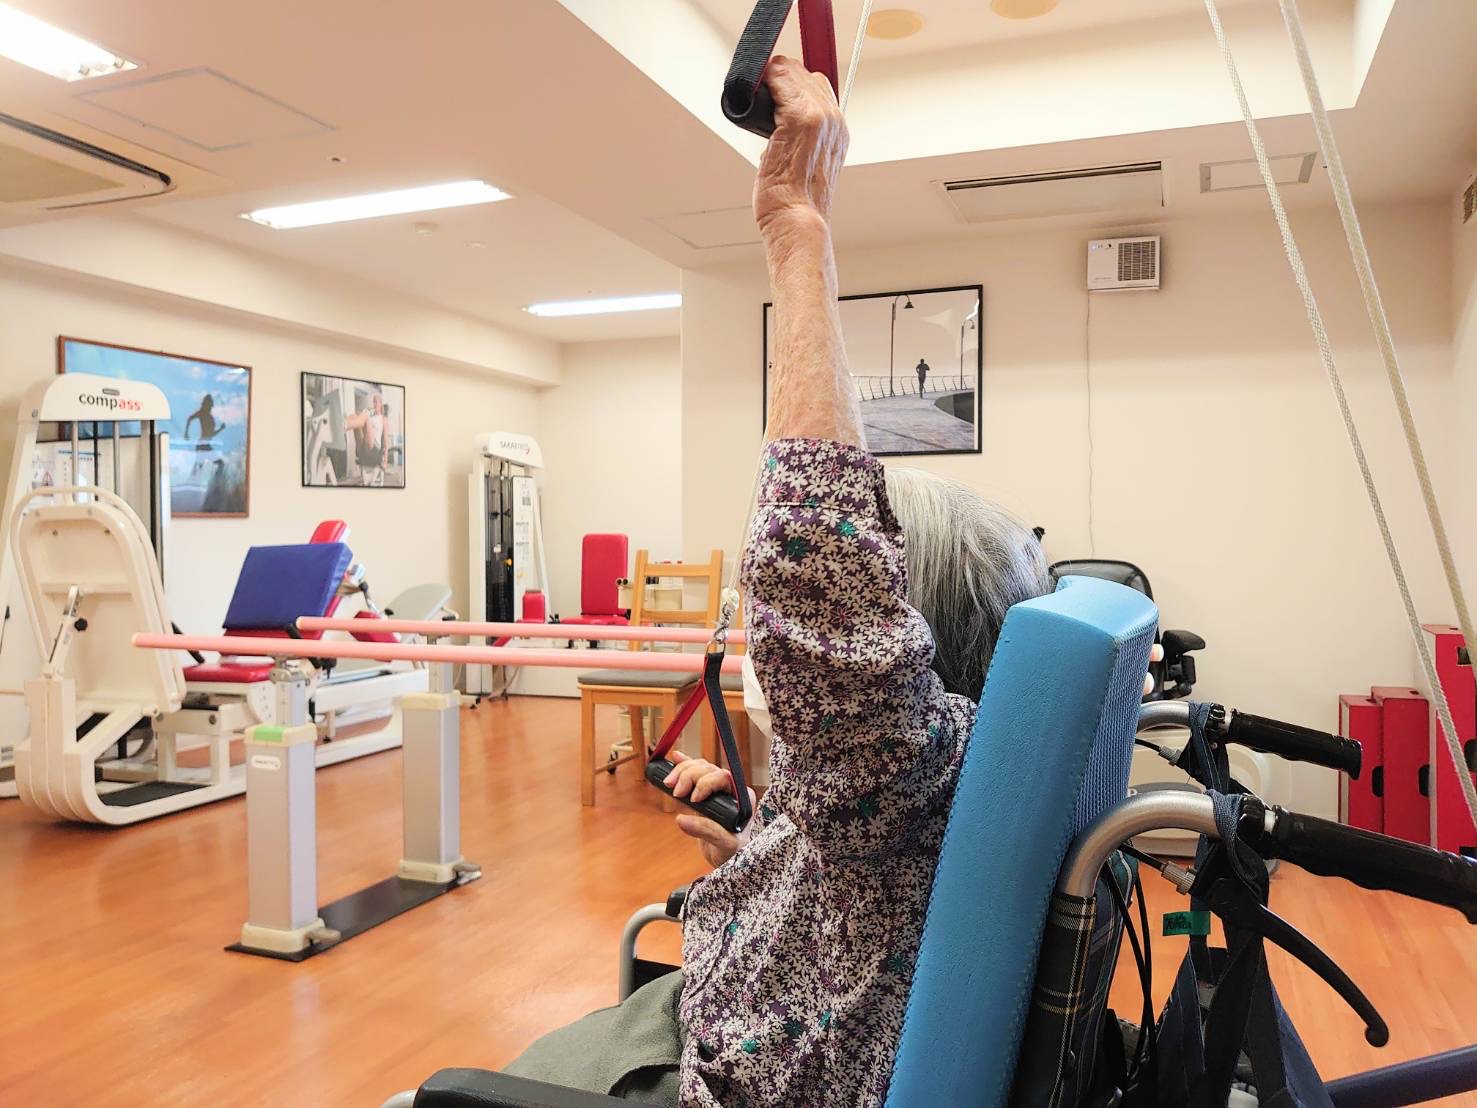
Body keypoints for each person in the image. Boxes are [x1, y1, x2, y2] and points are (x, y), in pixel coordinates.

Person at [503, 58, 1138, 1107]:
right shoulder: (927, 784)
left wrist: (798, 229)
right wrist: (761, 837)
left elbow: (816, 571)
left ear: (906, 626)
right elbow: (857, 881)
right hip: (730, 995)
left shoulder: (907, 770)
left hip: (710, 1072)